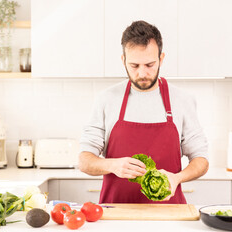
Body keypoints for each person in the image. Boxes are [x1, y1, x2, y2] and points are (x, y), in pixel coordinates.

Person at [78, 20, 209, 204]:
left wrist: (177, 178)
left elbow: (201, 160)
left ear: (161, 59)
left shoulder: (182, 99)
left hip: (169, 215)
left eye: (149, 65)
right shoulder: (106, 99)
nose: (142, 73)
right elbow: (84, 161)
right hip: (116, 213)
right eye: (134, 66)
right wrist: (112, 165)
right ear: (123, 60)